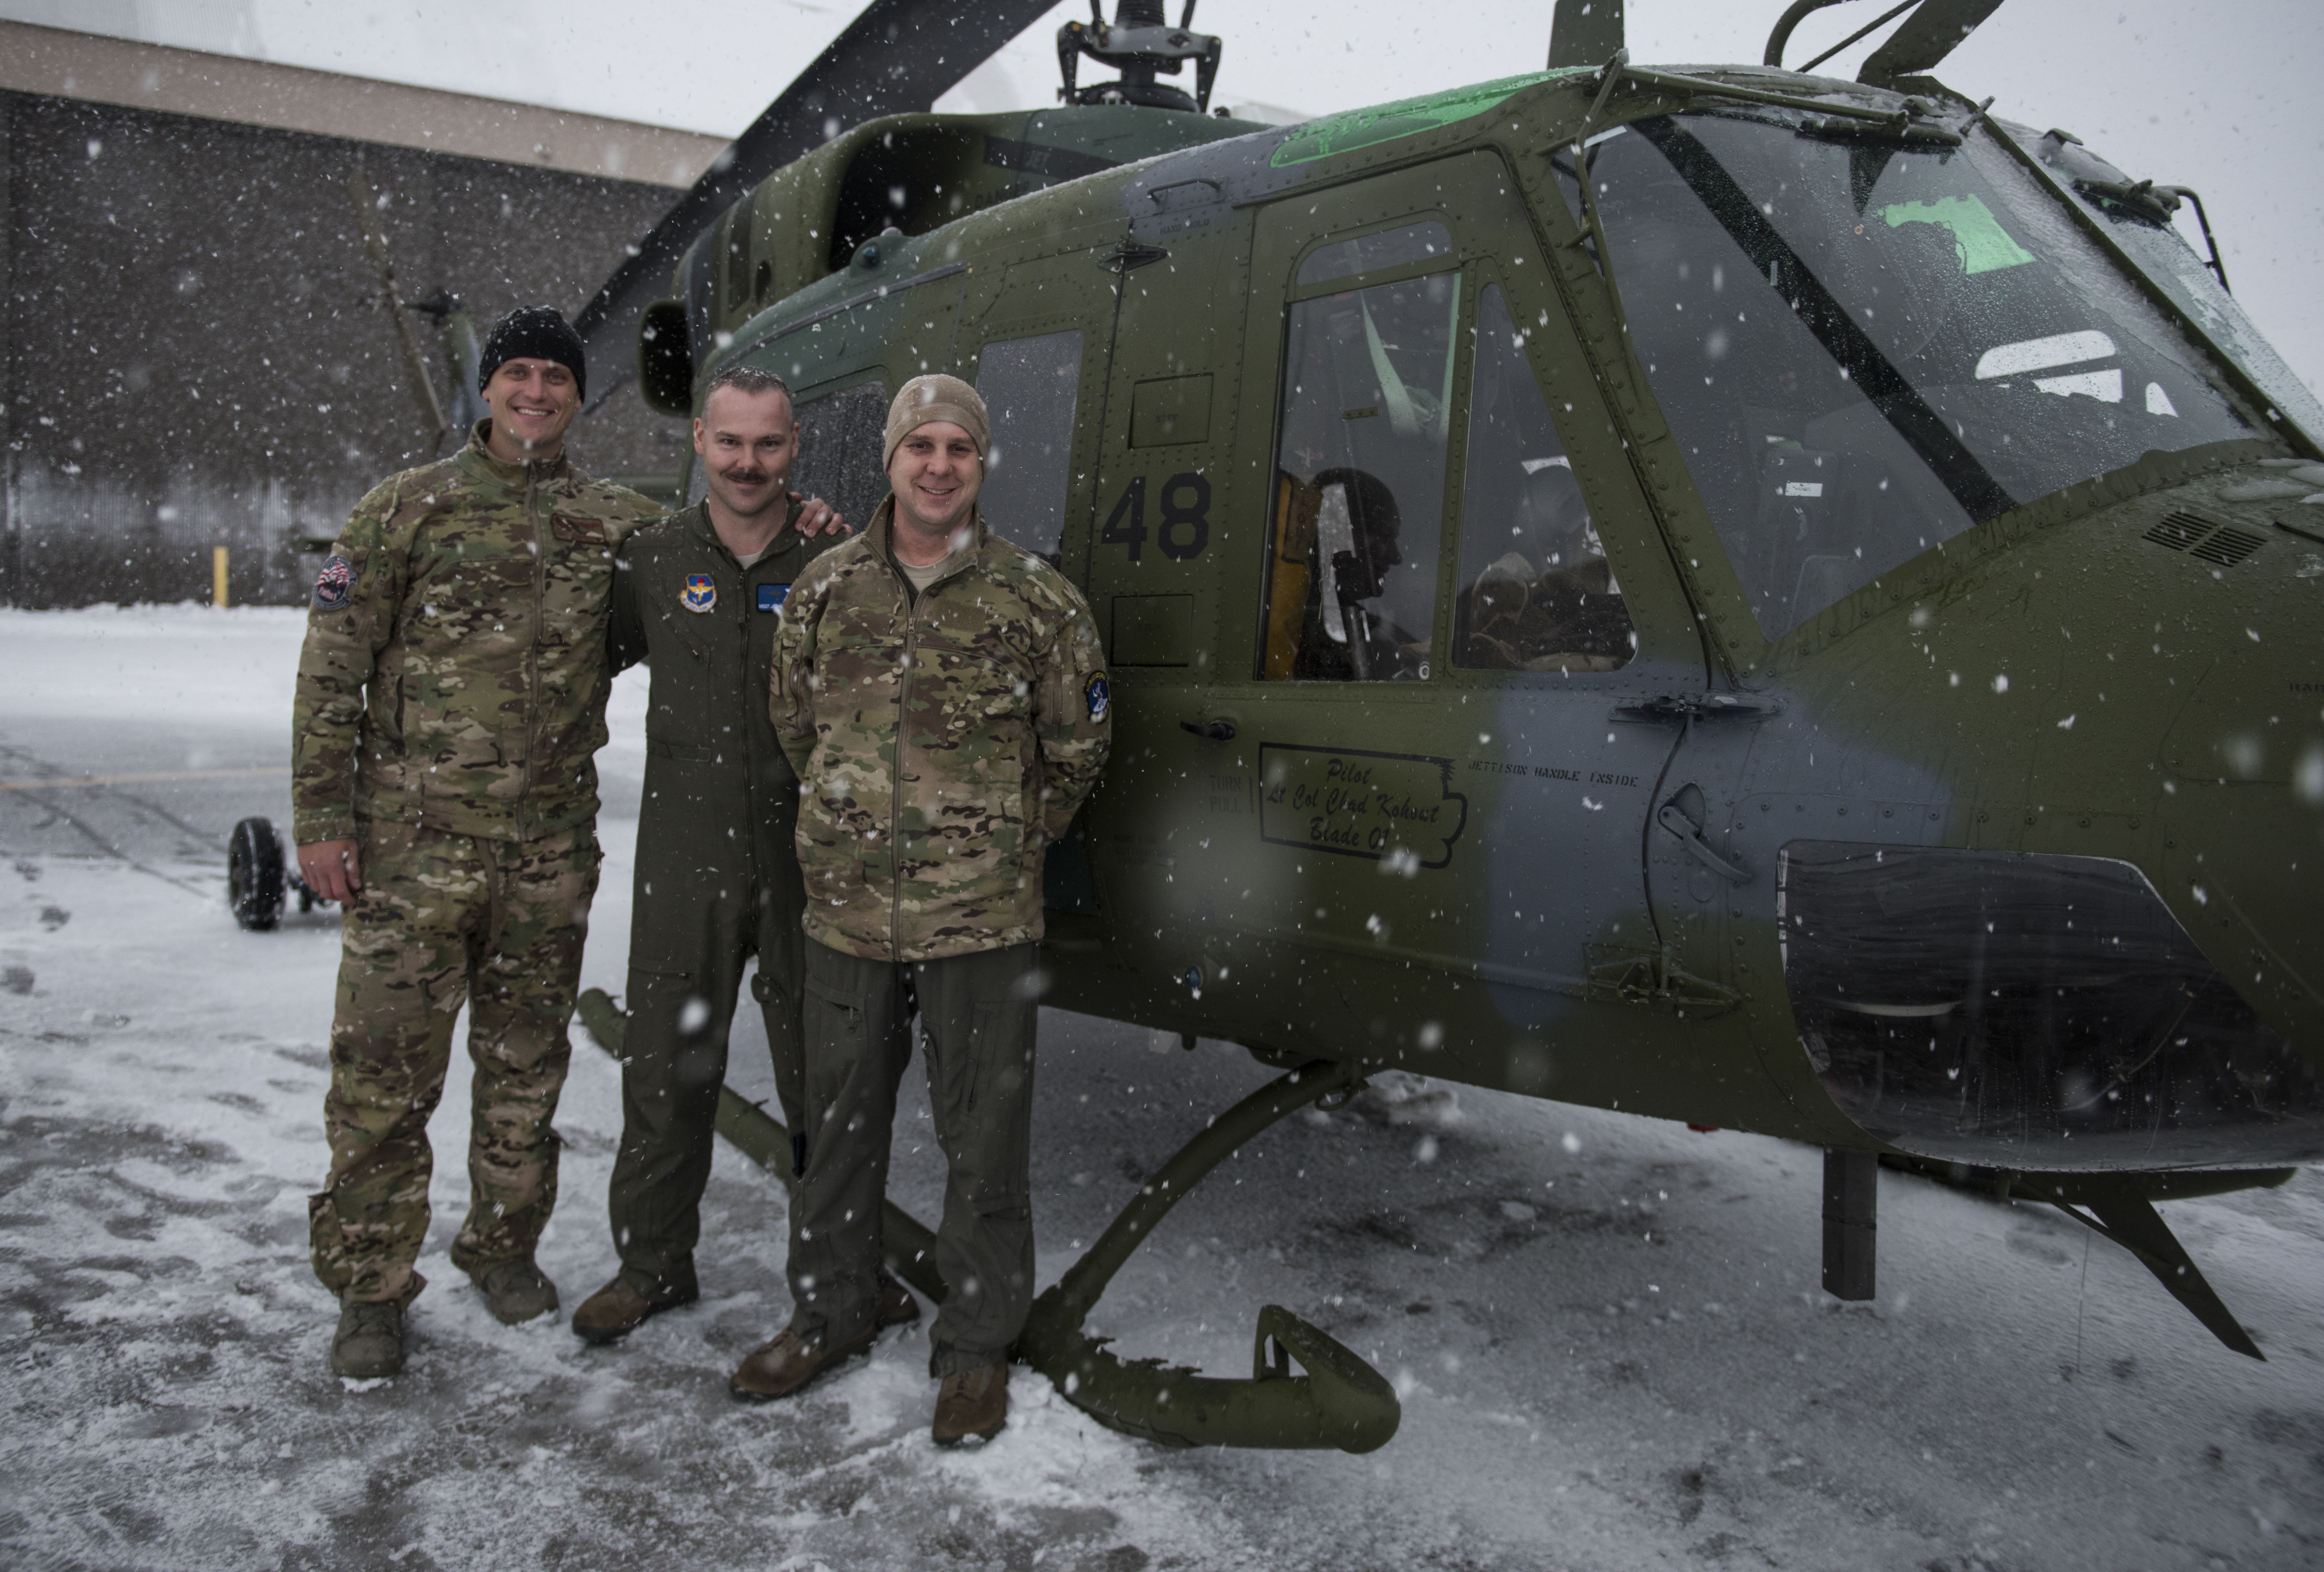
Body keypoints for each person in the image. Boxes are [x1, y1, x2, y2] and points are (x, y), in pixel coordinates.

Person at [729, 375, 1111, 1446]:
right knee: (835, 1125)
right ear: (890, 459)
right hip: (847, 913)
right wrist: (854, 824)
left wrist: (1005, 838)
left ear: (979, 462)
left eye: (958, 447)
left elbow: (1078, 745)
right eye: (921, 446)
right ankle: (833, 1309)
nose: (938, 466)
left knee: (982, 1139)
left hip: (980, 920)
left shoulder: (1036, 600)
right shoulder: (825, 589)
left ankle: (977, 1344)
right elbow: (795, 722)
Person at [293, 306, 664, 1380]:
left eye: (557, 376)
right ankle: (371, 1287)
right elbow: (332, 670)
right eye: (519, 373)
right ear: (491, 388)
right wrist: (320, 819)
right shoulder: (406, 508)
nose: (536, 392)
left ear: (578, 395)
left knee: (525, 1067)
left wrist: (809, 516)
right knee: (383, 1078)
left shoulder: (615, 521)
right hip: (413, 851)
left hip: (547, 853)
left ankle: (503, 1247)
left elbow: (732, 555)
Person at [569, 364, 911, 1343]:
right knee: (665, 1064)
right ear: (699, 443)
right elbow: (583, 664)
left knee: (828, 1076)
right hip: (688, 852)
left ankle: (845, 1272)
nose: (748, 462)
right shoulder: (652, 558)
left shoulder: (838, 559)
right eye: (729, 441)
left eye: (767, 443)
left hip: (812, 855)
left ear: (794, 446)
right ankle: (651, 1264)